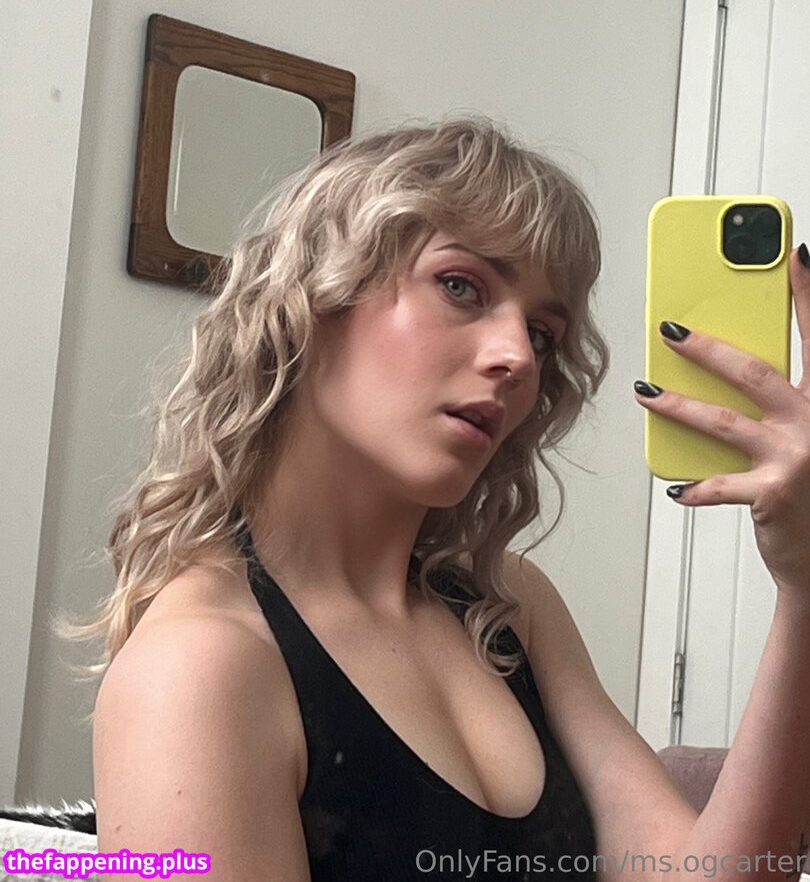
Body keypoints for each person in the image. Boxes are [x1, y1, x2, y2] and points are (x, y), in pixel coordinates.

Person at [81, 117, 810, 881]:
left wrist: (801, 589)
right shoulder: (200, 668)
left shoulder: (512, 609)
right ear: (312, 298)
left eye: (542, 333)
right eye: (461, 286)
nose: (517, 357)